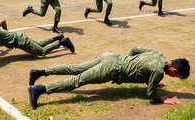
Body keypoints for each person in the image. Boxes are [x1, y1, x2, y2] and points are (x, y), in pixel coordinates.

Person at [28, 46, 190, 109]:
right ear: (174, 70)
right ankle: (39, 90)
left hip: (110, 57)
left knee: (74, 68)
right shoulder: (158, 71)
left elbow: (133, 50)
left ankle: (39, 72)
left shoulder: (158, 54)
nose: (173, 78)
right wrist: (162, 99)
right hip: (111, 68)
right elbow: (150, 93)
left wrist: (128, 64)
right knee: (77, 80)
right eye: (176, 76)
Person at [0, 19, 75, 59]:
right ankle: (58, 37)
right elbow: (2, 20)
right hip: (19, 36)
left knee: (42, 52)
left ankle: (62, 42)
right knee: (40, 43)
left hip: (21, 41)